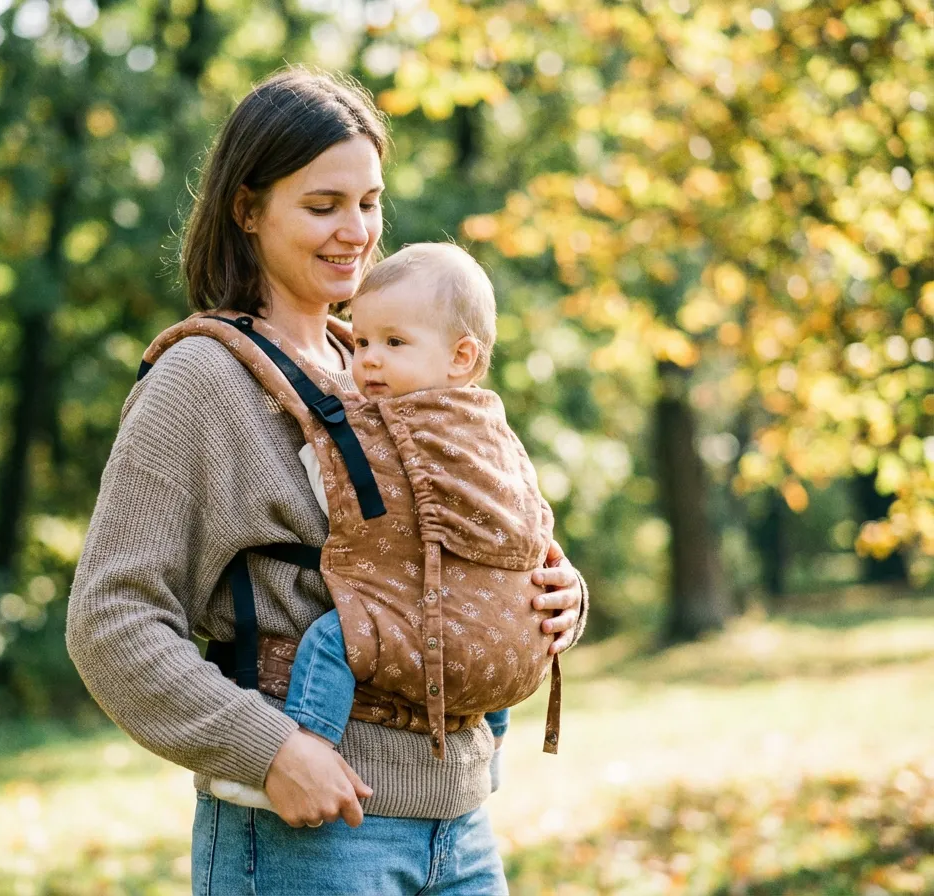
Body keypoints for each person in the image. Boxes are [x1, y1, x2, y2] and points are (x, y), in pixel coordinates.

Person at [66, 68, 588, 896]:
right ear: (248, 209)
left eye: (370, 203)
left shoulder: (384, 365)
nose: (356, 231)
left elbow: (464, 542)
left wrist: (557, 592)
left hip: (461, 824)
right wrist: (269, 751)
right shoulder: (201, 380)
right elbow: (111, 618)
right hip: (306, 842)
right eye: (323, 205)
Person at [208, 242, 555, 811]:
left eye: (393, 343)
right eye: (362, 340)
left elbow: (336, 488)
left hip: (430, 620)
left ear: (461, 357)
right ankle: (490, 753)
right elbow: (530, 519)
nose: (366, 359)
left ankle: (306, 748)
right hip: (504, 635)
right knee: (492, 635)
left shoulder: (392, 423)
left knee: (332, 638)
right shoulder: (493, 429)